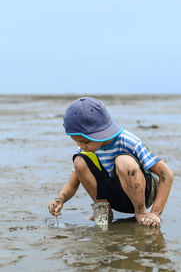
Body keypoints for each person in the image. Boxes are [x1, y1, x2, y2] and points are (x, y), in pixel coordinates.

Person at [48, 97, 173, 227]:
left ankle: (140, 212)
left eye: (85, 141)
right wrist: (59, 199)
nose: (81, 145)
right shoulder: (84, 149)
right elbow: (72, 184)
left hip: (142, 193)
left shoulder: (128, 141)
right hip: (114, 195)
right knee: (79, 161)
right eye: (76, 141)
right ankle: (103, 211)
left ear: (100, 133)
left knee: (123, 161)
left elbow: (166, 175)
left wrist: (155, 213)